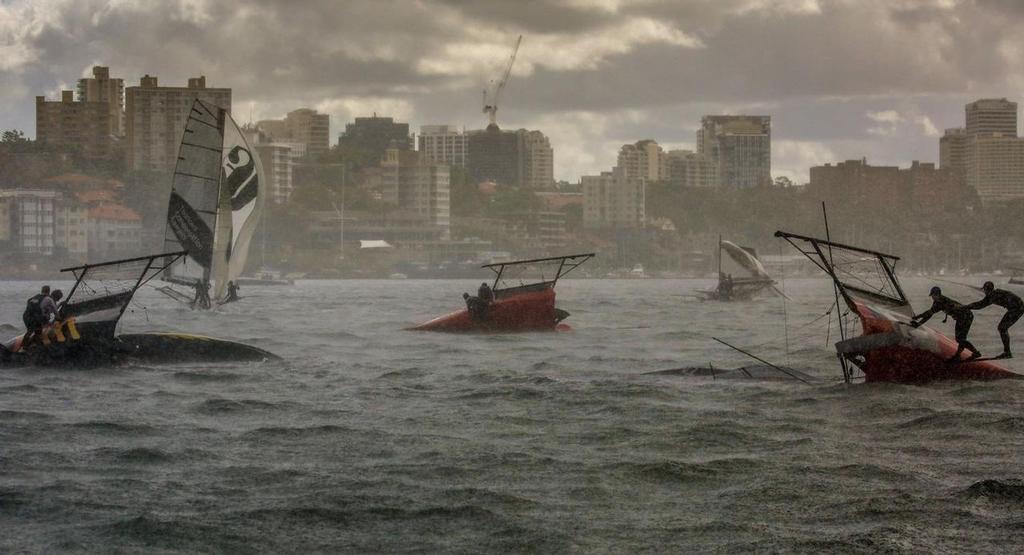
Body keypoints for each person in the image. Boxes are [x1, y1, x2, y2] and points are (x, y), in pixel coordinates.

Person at [911, 286, 981, 362]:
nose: (932, 298)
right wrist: (918, 323)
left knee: (960, 339)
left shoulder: (940, 302)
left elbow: (929, 313)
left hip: (965, 316)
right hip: (964, 316)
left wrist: (918, 318)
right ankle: (959, 356)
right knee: (961, 339)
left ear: (937, 294)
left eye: (933, 296)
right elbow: (929, 314)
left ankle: (973, 353)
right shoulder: (938, 302)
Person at [966, 281, 1023, 359]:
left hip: (1017, 308)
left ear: (987, 290)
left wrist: (966, 307)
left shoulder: (993, 295)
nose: (984, 292)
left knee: (1002, 328)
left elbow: (980, 305)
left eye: (985, 290)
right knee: (1002, 328)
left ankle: (1007, 353)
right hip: (1017, 308)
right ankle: (1007, 352)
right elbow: (982, 303)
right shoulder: (994, 294)